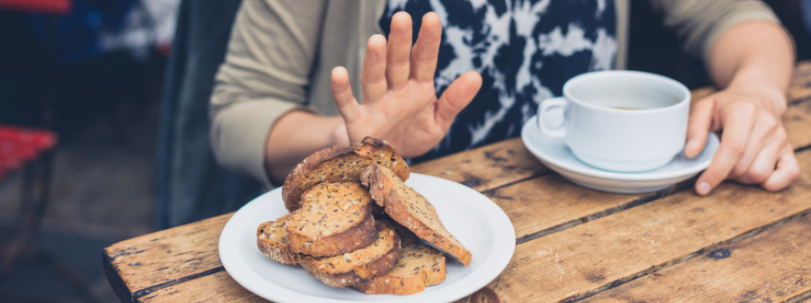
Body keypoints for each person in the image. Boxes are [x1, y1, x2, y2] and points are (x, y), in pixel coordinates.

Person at [209, 0, 799, 196]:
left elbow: (737, 18)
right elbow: (238, 112)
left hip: (593, 235)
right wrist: (346, 143)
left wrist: (758, 90)